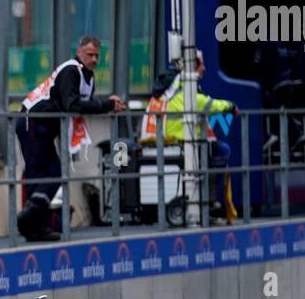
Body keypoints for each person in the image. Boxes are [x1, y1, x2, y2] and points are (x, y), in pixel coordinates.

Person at [16, 35, 125, 208]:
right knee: (40, 172)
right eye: (90, 54)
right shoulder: (71, 70)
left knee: (53, 172)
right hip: (33, 121)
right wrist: (106, 105)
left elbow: (82, 104)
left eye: (97, 55)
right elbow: (73, 105)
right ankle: (31, 219)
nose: (94, 59)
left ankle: (35, 217)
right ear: (79, 52)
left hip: (43, 125)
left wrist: (108, 104)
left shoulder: (87, 77)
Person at [140, 51, 237, 213]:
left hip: (168, 141)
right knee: (222, 151)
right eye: (200, 65)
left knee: (214, 152)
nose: (204, 69)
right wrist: (230, 106)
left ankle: (204, 199)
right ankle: (205, 198)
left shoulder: (171, 84)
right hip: (180, 141)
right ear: (191, 66)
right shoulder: (183, 85)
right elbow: (205, 104)